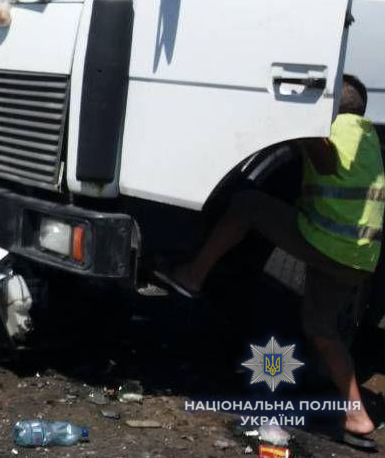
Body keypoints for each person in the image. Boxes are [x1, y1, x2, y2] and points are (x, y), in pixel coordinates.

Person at [158, 75, 384, 451]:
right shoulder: (370, 137)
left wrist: (300, 121)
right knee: (322, 328)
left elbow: (327, 163)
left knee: (247, 205)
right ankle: (357, 417)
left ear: (332, 106)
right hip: (358, 257)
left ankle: (193, 276)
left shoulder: (342, 129)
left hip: (327, 243)